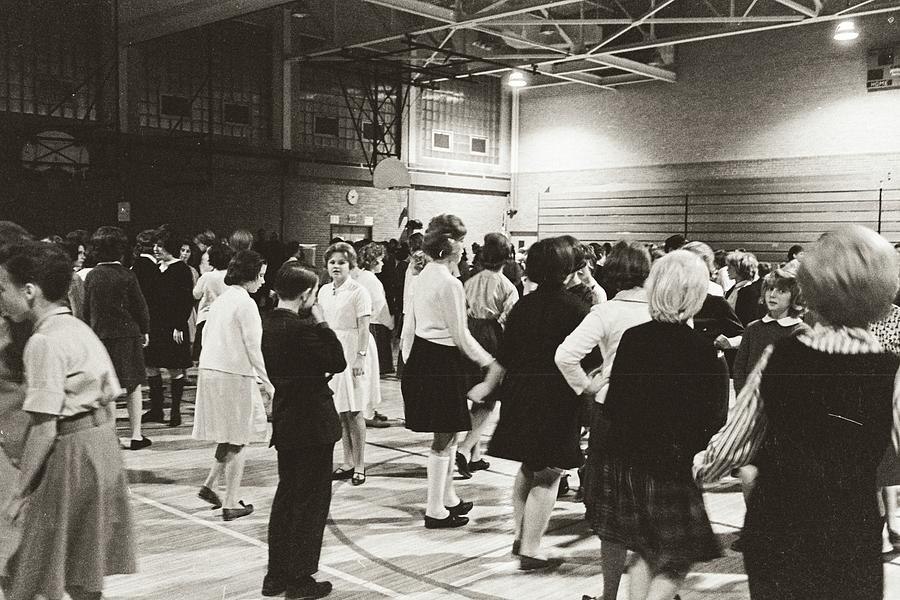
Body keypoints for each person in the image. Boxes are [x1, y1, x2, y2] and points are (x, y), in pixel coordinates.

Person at [694, 225, 900, 600]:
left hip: (777, 527)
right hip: (850, 534)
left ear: (811, 286)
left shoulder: (782, 356)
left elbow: (733, 448)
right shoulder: (891, 370)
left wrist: (700, 467)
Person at [587, 250, 728, 600]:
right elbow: (712, 418)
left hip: (625, 460)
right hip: (671, 466)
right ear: (695, 295)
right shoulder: (702, 349)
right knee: (678, 557)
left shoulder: (634, 338)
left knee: (647, 549)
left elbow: (617, 403)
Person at [0, 241, 135, 600]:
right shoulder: (77, 328)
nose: (0, 298)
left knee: (37, 564)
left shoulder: (43, 342)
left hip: (73, 453)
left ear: (29, 291)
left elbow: (43, 429)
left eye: (2, 289)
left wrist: (18, 493)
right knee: (81, 564)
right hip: (102, 448)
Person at [469, 237, 589, 569]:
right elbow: (586, 359)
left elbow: (503, 356)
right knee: (550, 472)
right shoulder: (577, 309)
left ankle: (522, 535)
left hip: (520, 394)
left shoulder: (523, 305)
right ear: (566, 270)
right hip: (557, 398)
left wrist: (487, 385)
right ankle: (531, 548)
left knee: (528, 467)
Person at [554, 240, 653, 600]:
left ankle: (609, 596)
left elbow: (565, 356)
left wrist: (587, 386)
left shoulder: (606, 312)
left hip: (611, 411)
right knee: (647, 508)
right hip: (655, 415)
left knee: (613, 516)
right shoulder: (666, 311)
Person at [401, 215, 499, 529]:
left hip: (424, 356)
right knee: (443, 438)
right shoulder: (449, 282)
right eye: (459, 240)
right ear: (447, 245)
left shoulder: (421, 276)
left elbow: (411, 326)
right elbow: (461, 335)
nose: (464, 247)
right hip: (442, 361)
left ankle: (449, 498)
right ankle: (434, 510)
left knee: (451, 431)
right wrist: (489, 362)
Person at [261, 262, 345, 600]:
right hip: (313, 422)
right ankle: (300, 579)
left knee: (286, 499)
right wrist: (323, 321)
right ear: (307, 293)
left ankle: (276, 575)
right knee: (310, 504)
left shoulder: (266, 323)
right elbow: (337, 360)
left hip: (286, 420)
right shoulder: (304, 329)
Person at [192, 250, 274, 521]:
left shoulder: (221, 300)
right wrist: (268, 382)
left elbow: (205, 336)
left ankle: (210, 485)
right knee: (239, 438)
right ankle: (230, 502)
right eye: (260, 276)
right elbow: (254, 348)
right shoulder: (246, 303)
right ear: (250, 275)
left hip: (211, 370)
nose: (263, 281)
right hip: (232, 373)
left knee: (227, 435)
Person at [82, 226, 152, 451]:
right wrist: (145, 329)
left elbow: (86, 308)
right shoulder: (127, 274)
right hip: (127, 335)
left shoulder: (92, 275)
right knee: (133, 386)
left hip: (100, 335)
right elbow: (140, 306)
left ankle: (112, 436)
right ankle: (136, 435)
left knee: (109, 388)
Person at [456, 232, 518, 478]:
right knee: (489, 400)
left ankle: (475, 456)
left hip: (469, 333)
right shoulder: (507, 286)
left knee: (474, 394)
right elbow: (510, 320)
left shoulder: (469, 282)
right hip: (492, 336)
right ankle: (464, 449)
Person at [318, 243, 378, 486]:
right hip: (334, 349)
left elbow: (364, 327)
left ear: (350, 265)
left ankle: (360, 464)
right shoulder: (323, 291)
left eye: (341, 262)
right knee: (341, 410)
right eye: (332, 262)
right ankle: (348, 461)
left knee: (355, 411)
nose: (336, 266)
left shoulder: (359, 291)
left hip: (354, 347)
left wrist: (360, 357)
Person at [142, 229, 194, 426]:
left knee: (174, 368)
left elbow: (185, 300)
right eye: (155, 246)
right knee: (151, 366)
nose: (156, 249)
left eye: (160, 246)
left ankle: (174, 412)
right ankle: (156, 409)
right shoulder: (156, 268)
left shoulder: (181, 269)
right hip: (155, 325)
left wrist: (179, 325)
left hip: (173, 326)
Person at [353, 243, 394, 421]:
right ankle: (368, 411)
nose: (382, 264)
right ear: (374, 261)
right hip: (373, 327)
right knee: (370, 373)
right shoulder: (372, 281)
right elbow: (380, 307)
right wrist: (391, 324)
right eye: (380, 261)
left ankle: (365, 409)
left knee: (365, 374)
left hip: (361, 326)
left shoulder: (359, 277)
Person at [192, 244, 233, 359]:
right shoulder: (232, 276)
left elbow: (196, 294)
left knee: (204, 349)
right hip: (225, 316)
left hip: (206, 315)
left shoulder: (207, 276)